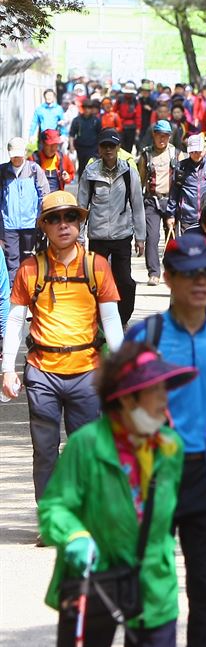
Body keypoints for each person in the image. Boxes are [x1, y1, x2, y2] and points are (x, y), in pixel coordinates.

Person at [126, 234, 206, 647]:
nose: (199, 282)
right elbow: (117, 411)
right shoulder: (145, 336)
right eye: (188, 274)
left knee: (205, 586)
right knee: (146, 584)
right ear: (167, 277)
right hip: (152, 475)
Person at [38, 343, 196, 647]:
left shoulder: (171, 446)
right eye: (155, 391)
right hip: (92, 579)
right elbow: (55, 507)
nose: (165, 399)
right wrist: (73, 536)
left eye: (166, 389)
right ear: (126, 399)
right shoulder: (86, 444)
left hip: (153, 582)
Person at [1, 191, 123, 504]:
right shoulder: (30, 269)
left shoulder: (97, 266)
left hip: (88, 372)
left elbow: (111, 323)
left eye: (70, 217)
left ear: (80, 223)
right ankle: (50, 518)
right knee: (44, 452)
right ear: (44, 226)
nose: (63, 225)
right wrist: (7, 371)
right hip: (42, 373)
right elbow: (15, 322)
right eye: (54, 219)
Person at [78, 129, 146, 328]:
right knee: (95, 281)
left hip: (122, 235)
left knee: (124, 281)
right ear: (99, 148)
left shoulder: (128, 172)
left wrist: (140, 237)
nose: (108, 150)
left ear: (118, 148)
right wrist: (79, 237)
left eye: (112, 146)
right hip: (97, 235)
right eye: (104, 146)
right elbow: (82, 206)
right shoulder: (90, 173)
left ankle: (122, 319)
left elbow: (137, 205)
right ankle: (97, 322)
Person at [0, 136, 49, 283]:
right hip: (9, 225)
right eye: (13, 155)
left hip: (30, 223)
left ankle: (27, 287)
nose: (16, 158)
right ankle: (13, 291)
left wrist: (43, 219)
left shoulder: (34, 170)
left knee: (27, 259)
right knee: (11, 260)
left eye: (18, 155)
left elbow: (44, 195)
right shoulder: (3, 171)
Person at [138, 120, 178, 287]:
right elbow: (139, 179)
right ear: (153, 135)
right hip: (151, 200)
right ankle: (154, 273)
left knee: (172, 239)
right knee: (152, 237)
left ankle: (172, 271)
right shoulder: (146, 155)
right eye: (159, 135)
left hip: (171, 200)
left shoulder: (176, 154)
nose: (162, 139)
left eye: (166, 136)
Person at [165, 133, 206, 235]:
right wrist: (170, 214)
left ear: (204, 149)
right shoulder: (180, 168)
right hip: (187, 219)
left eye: (199, 151)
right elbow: (174, 193)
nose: (196, 154)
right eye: (193, 151)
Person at [30, 129, 76, 194]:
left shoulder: (63, 158)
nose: (53, 148)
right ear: (43, 143)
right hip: (38, 198)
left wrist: (68, 178)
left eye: (55, 145)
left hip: (56, 199)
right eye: (50, 145)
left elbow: (72, 174)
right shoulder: (33, 159)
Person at [69, 98, 102, 175]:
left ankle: (91, 185)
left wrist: (100, 148)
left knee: (92, 167)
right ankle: (81, 184)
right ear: (83, 108)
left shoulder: (96, 121)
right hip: (81, 147)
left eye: (89, 107)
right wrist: (71, 146)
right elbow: (72, 134)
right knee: (82, 167)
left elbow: (100, 135)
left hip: (93, 148)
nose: (87, 110)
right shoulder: (77, 120)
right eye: (85, 107)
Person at [114, 82, 142, 154]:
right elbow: (114, 111)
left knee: (129, 146)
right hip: (121, 126)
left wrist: (138, 128)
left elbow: (138, 115)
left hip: (131, 127)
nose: (128, 94)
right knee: (120, 145)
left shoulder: (135, 101)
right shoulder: (120, 99)